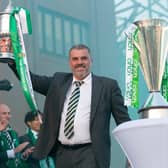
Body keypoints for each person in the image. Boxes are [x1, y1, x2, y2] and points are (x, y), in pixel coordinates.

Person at [9, 44, 131, 168]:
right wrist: (13, 61)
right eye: (75, 59)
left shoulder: (108, 86)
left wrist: (133, 153)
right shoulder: (58, 81)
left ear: (91, 61)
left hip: (91, 153)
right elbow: (31, 81)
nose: (80, 62)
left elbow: (123, 121)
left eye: (84, 58)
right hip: (62, 154)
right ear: (70, 62)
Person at [0, 103, 30, 168]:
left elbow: (16, 157)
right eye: (4, 113)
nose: (8, 116)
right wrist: (14, 151)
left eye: (9, 113)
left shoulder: (13, 133)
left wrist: (23, 155)